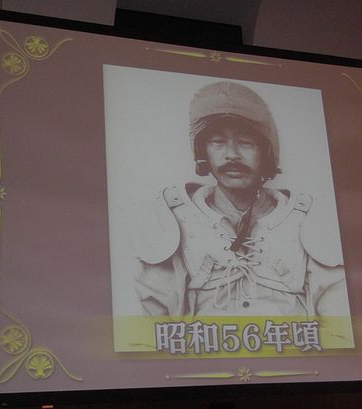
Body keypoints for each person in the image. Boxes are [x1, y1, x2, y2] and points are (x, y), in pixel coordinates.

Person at [135, 81, 350, 317]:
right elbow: (152, 325)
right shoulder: (174, 217)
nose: (232, 154)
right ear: (203, 150)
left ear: (266, 151)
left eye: (246, 142)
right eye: (217, 141)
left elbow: (338, 320)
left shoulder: (308, 218)